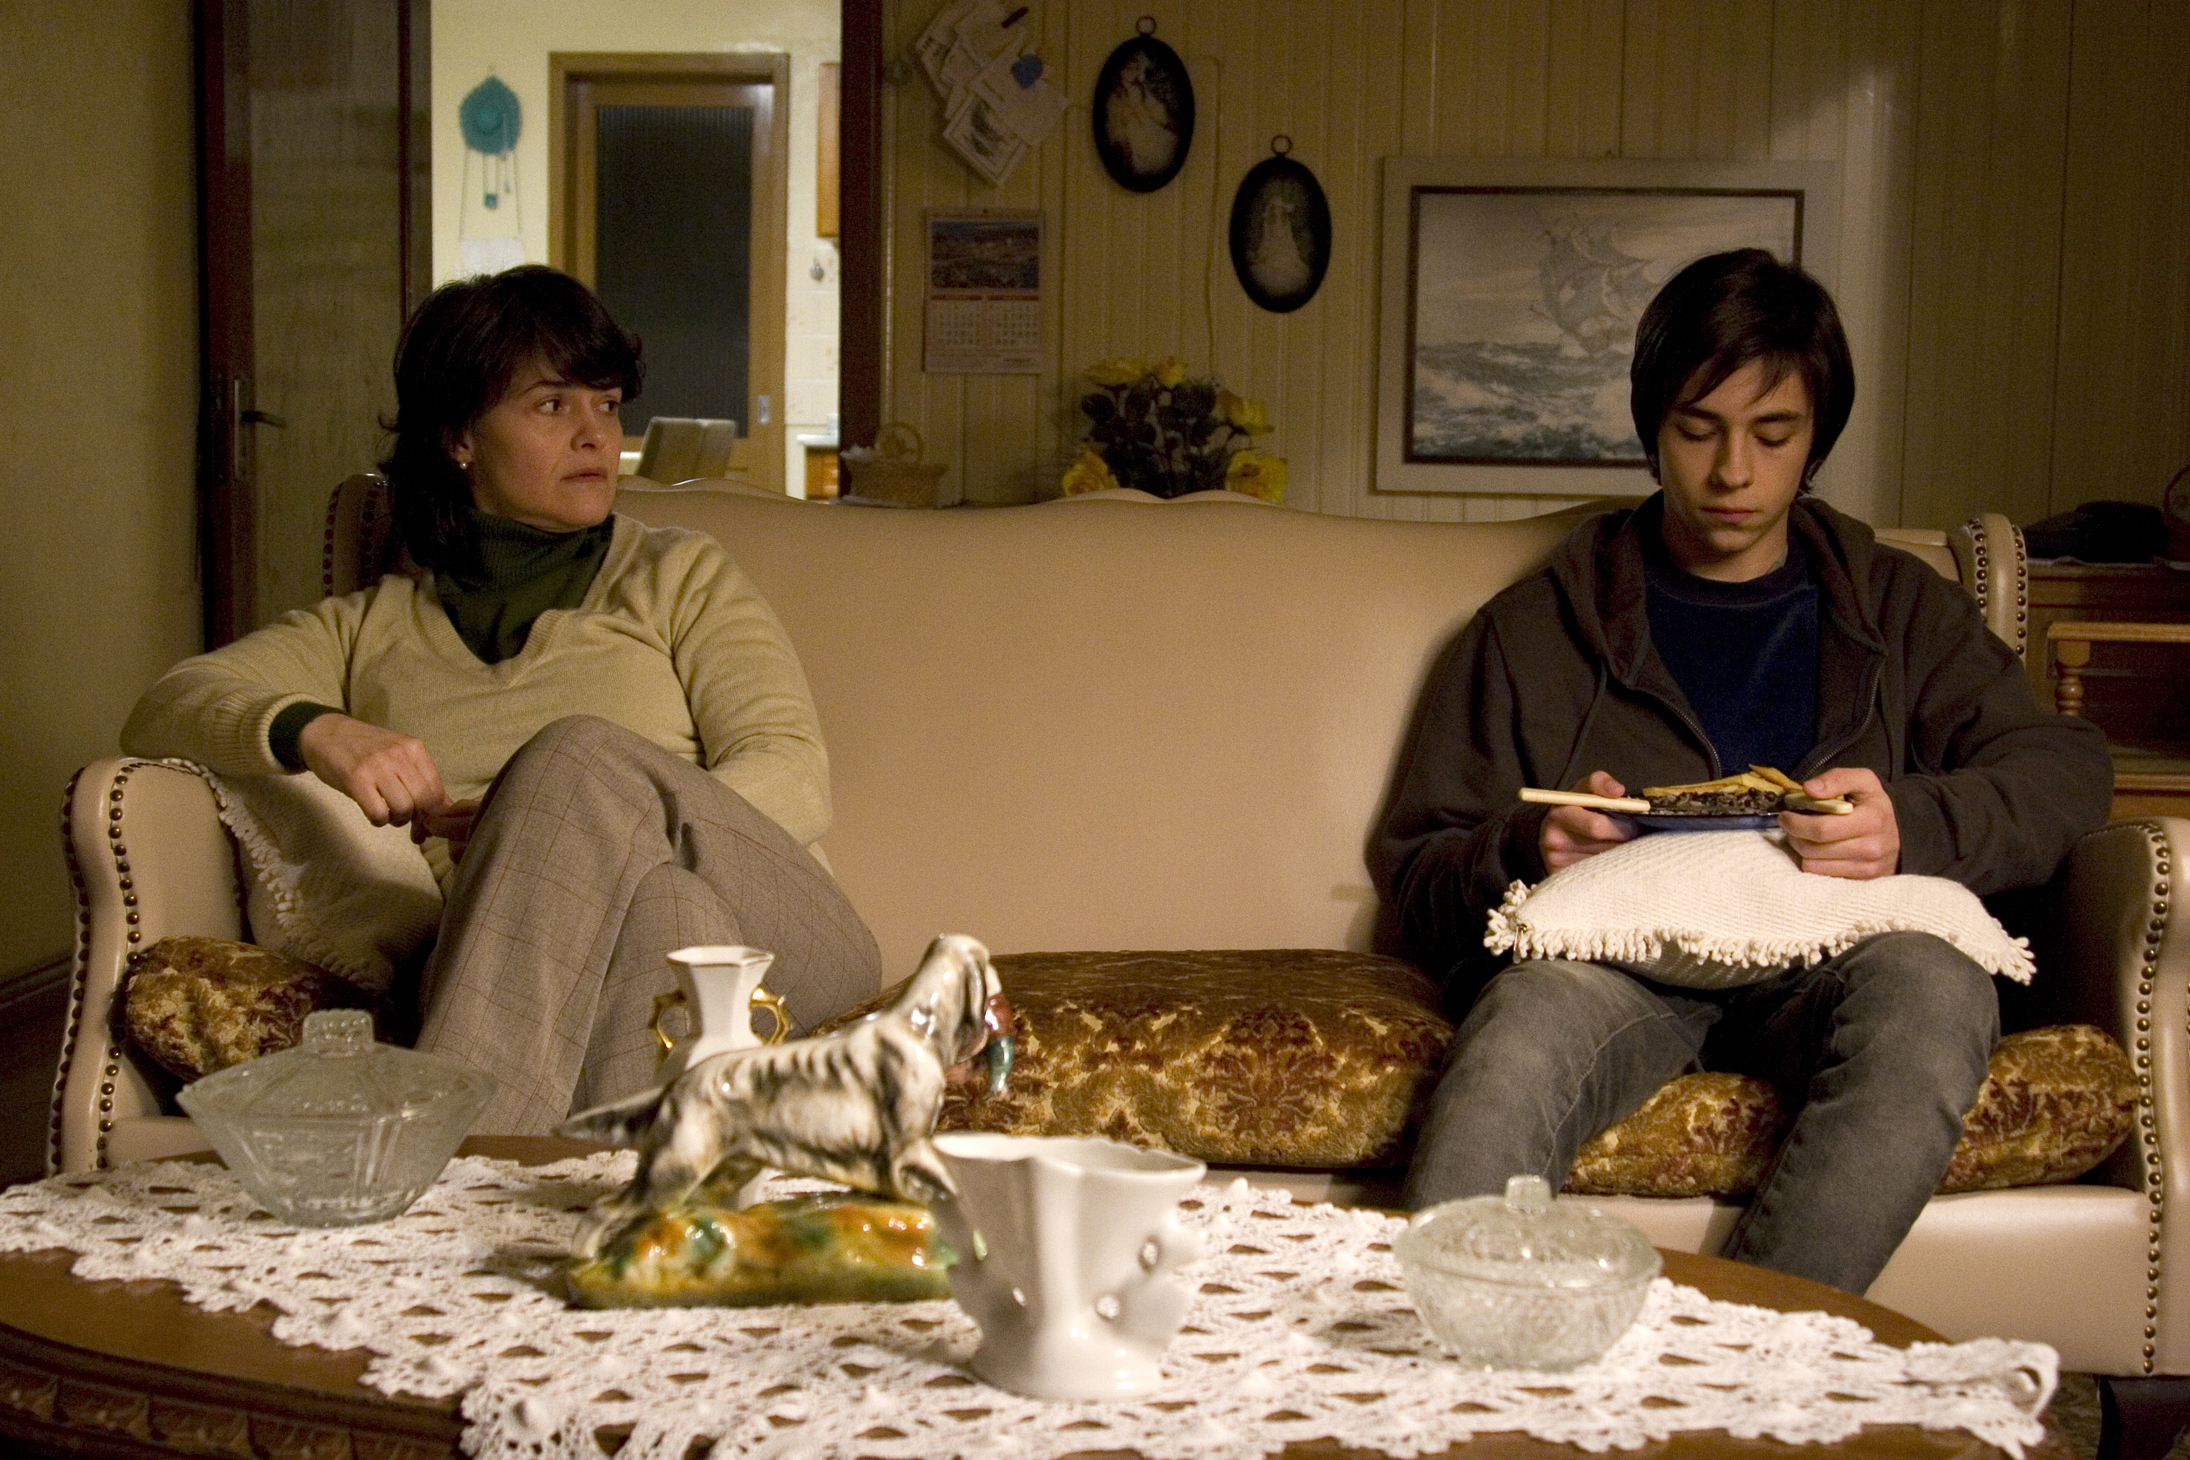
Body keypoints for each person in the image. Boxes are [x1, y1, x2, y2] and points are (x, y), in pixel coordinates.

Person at [1370, 248, 2112, 1294]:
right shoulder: (1533, 627)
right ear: (1651, 430)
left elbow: (2066, 769)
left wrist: (1912, 822)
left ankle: (1751, 1363)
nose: (1733, 473)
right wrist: (1526, 849)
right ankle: (1436, 1360)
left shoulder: (1899, 606)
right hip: (1619, 969)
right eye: (1698, 429)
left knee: (1937, 991)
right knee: (1523, 1025)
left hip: (1840, 958)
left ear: (1815, 441)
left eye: (1773, 434)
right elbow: (1416, 869)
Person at [122, 265, 881, 1133]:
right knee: (663, 915)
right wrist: (319, 731)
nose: (596, 435)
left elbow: (793, 772)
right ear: (460, 437)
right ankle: (588, 1196)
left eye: (607, 404)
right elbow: (168, 703)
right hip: (562, 970)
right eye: (553, 405)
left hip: (784, 937)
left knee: (574, 758)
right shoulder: (371, 627)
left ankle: (451, 1157)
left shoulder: (678, 573)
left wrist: (566, 819)